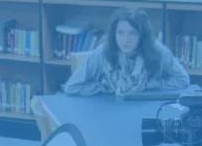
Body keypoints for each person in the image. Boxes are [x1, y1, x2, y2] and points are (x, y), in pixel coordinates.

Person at [62, 7, 191, 95]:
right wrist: (105, 88)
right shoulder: (103, 52)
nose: (126, 39)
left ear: (142, 35)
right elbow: (72, 87)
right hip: (110, 109)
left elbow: (182, 79)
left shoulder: (158, 51)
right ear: (114, 34)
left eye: (132, 33)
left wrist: (153, 85)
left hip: (145, 107)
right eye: (121, 33)